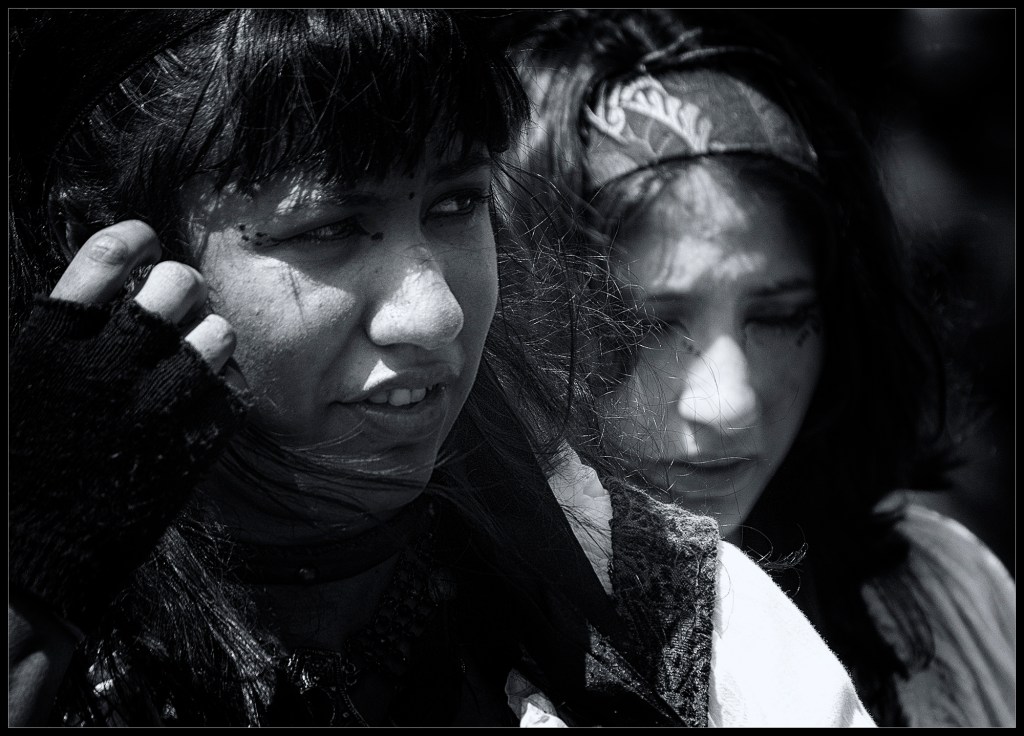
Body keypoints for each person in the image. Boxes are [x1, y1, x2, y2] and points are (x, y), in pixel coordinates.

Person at [9, 9, 875, 727]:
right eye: (327, 229)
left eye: (457, 203)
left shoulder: (692, 629)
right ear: (115, 255)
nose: (437, 314)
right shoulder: (40, 609)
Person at [507, 8, 1015, 727]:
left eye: (779, 317)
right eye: (646, 323)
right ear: (515, 313)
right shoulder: (448, 660)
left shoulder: (935, 597)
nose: (730, 404)